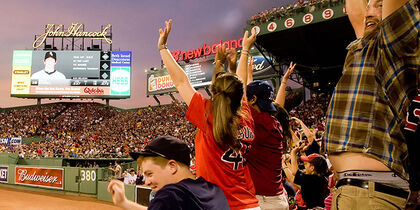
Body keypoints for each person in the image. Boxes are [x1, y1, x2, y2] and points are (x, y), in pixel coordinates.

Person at [324, 0, 419, 208]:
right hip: (361, 191)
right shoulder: (367, 48)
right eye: (368, 6)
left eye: (379, 5)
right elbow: (358, 12)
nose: (368, 13)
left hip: (371, 192)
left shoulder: (396, 47)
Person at [157, 19, 260, 209]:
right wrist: (244, 50)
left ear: (213, 92)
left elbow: (181, 82)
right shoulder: (247, 117)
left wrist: (163, 47)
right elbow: (241, 84)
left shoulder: (208, 116)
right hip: (251, 204)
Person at [107, 135, 229, 210]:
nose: (147, 182)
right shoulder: (213, 190)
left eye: (150, 174)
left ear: (172, 166)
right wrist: (124, 203)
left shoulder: (170, 195)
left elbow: (168, 203)